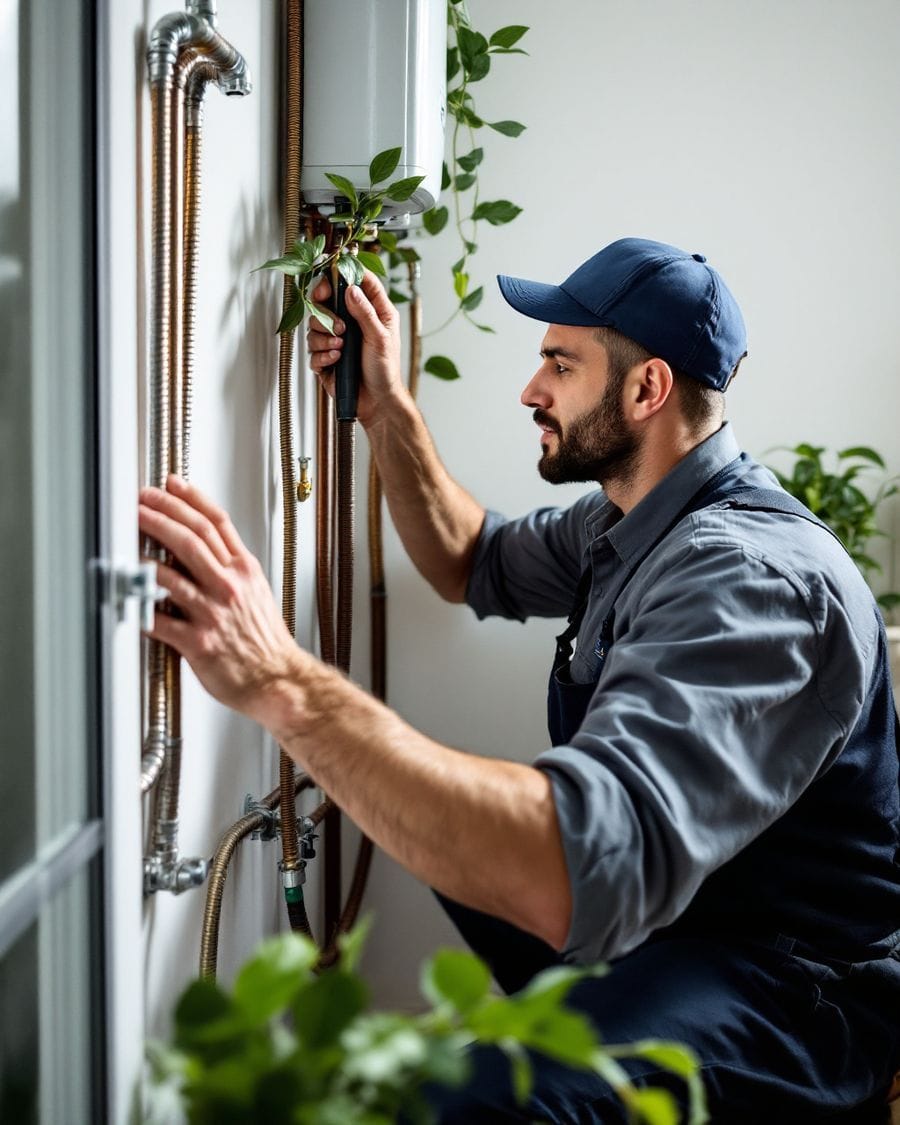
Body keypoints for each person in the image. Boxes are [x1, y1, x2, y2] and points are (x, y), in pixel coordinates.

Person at [138, 237, 900, 1122]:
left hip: (788, 986)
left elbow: (571, 867)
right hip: (675, 919)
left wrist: (277, 678)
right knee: (434, 821)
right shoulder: (634, 515)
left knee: (455, 1098)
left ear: (646, 389)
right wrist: (387, 408)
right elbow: (472, 558)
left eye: (558, 362)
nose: (531, 389)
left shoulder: (750, 578)